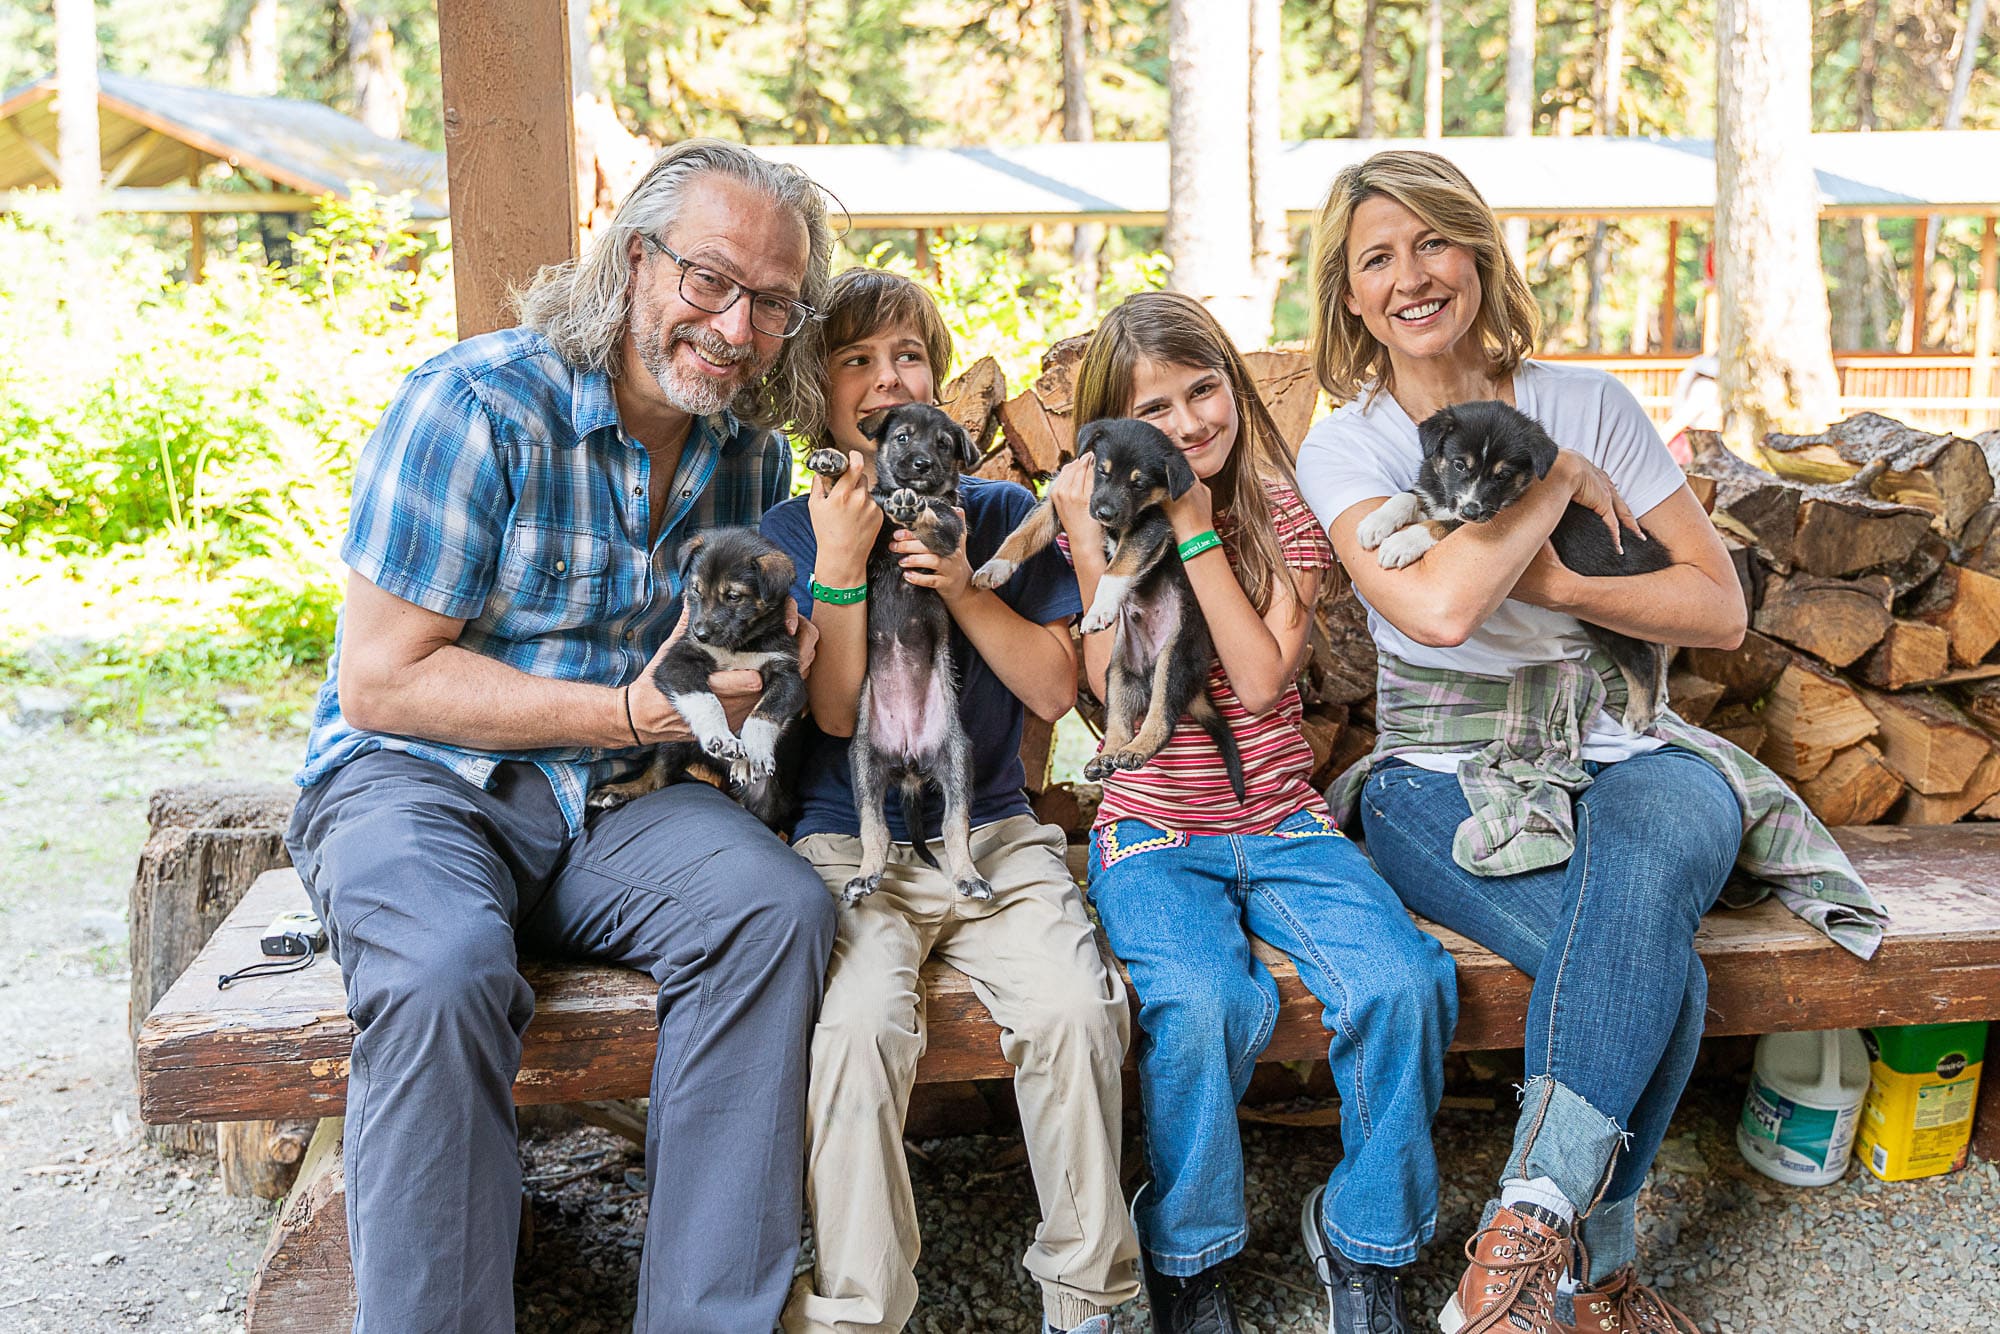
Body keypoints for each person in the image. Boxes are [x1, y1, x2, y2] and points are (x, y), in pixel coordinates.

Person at [1294, 149, 1887, 1334]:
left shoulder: (1591, 402)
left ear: (1476, 253)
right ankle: (1590, 1272)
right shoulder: (1344, 447)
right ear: (1347, 296)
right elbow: (1440, 611)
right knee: (1656, 966)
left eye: (1432, 242)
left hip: (1630, 741)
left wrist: (1562, 579)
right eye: (1376, 258)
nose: (1410, 276)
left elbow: (1716, 608)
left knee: (1648, 872)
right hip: (1435, 771)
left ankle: (1519, 1233)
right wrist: (1552, 477)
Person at [284, 139, 840, 1334]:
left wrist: (766, 670)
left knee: (775, 909)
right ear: (634, 259)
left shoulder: (751, 455)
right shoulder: (475, 403)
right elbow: (380, 682)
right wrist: (629, 711)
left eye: (773, 303)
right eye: (709, 280)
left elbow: (719, 682)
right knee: (441, 970)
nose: (735, 328)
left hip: (623, 799)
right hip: (419, 782)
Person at [1050, 290, 1458, 1334]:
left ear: (1234, 385)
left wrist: (1194, 531)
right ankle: (1187, 1250)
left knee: (1404, 982)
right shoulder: (1097, 518)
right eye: (1156, 408)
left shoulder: (1288, 519)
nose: (1190, 423)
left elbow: (1263, 677)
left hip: (1281, 821)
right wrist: (1100, 541)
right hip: (1152, 833)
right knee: (1200, 1002)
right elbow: (1105, 682)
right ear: (1116, 427)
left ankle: (1364, 1236)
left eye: (1204, 390)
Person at [762, 268, 1140, 1334]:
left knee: (1074, 1010)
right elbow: (831, 712)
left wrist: (966, 582)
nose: (888, 377)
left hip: (994, 832)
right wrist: (843, 562)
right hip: (850, 841)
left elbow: (1055, 690)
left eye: (909, 356)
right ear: (822, 394)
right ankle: (859, 1310)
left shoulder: (1002, 512)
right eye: (857, 360)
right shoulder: (792, 530)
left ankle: (1087, 1298)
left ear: (938, 387)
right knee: (854, 1032)